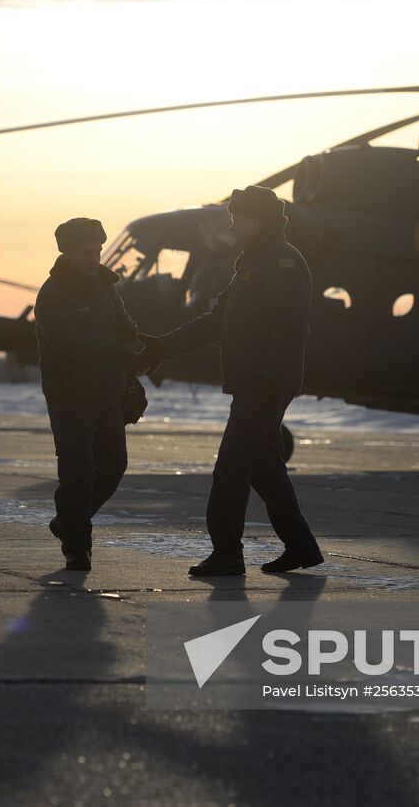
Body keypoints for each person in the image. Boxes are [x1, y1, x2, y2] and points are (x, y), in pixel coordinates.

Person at [135, 186, 324, 576]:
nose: (233, 227)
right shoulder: (251, 263)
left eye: (237, 220)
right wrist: (161, 347)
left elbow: (291, 328)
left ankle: (227, 553)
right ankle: (301, 547)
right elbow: (217, 320)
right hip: (254, 381)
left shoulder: (282, 262)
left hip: (264, 383)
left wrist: (272, 380)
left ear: (257, 221)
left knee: (231, 467)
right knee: (263, 467)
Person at [34, 218, 141, 571]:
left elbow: (126, 328)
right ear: (67, 253)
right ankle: (77, 548)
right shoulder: (52, 293)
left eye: (97, 251)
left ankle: (68, 521)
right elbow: (63, 340)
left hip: (108, 393)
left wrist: (136, 364)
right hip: (70, 397)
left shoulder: (106, 288)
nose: (94, 259)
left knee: (113, 466)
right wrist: (111, 348)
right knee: (77, 472)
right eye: (86, 253)